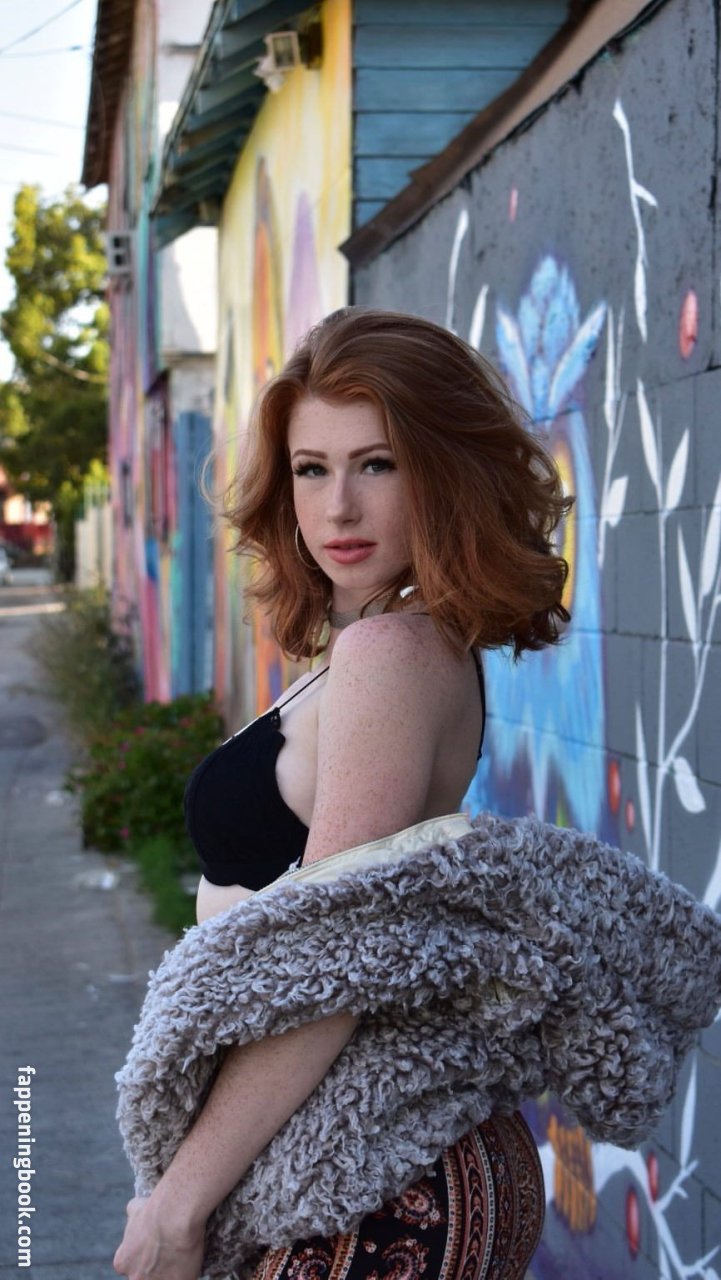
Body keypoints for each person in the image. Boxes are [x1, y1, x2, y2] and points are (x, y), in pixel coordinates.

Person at [113, 307, 574, 1280]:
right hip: (367, 1165)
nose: (338, 508)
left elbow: (333, 957)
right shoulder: (388, 641)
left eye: (377, 463)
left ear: (442, 471)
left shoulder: (391, 655)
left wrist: (177, 1206)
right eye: (311, 468)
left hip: (374, 1194)